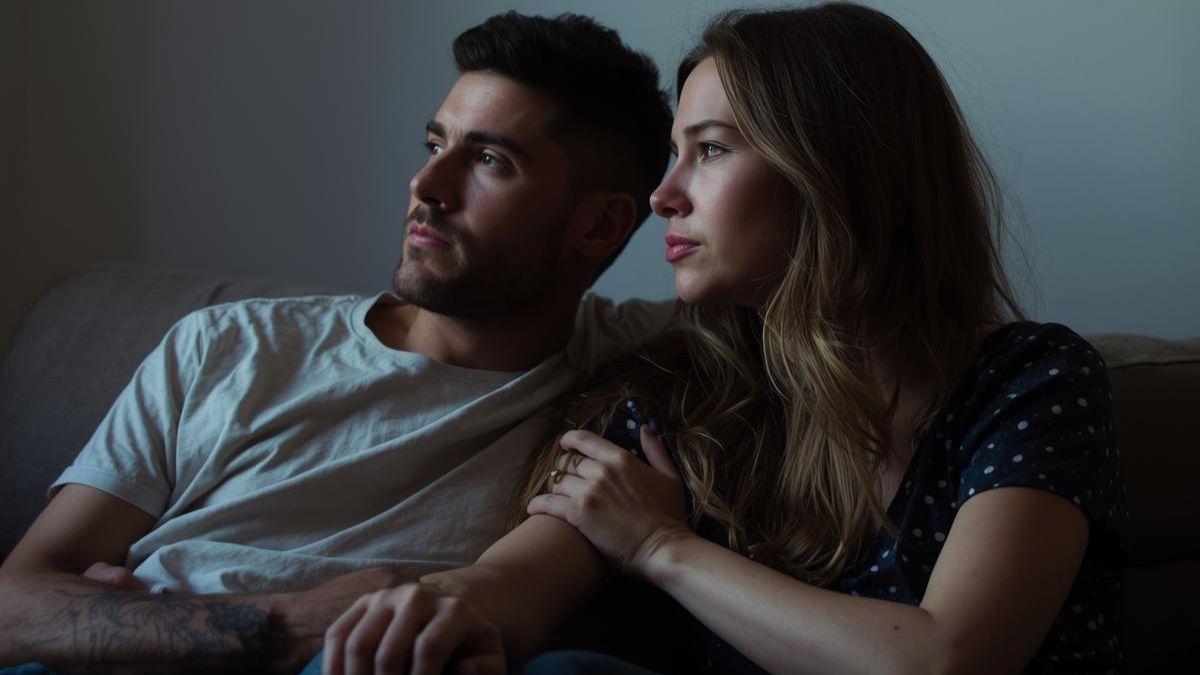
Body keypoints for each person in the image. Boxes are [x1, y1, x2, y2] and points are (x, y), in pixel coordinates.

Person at [318, 4, 1128, 675]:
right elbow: (520, 575)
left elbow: (946, 660)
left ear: (833, 172)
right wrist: (449, 608)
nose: (663, 195)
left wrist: (661, 545)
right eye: (673, 155)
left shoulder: (1029, 381)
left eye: (709, 150)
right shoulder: (678, 392)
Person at [0, 11, 674, 673]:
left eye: (490, 160)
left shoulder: (637, 370)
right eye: (435, 145)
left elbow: (771, 282)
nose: (426, 186)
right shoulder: (225, 343)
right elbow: (13, 606)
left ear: (601, 225)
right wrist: (287, 622)